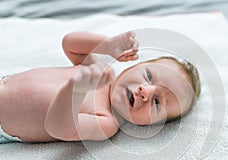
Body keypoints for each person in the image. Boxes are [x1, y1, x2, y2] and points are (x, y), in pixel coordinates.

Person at [0, 31, 200, 143]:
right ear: (132, 66)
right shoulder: (101, 71)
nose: (146, 91)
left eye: (157, 102)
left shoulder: (107, 122)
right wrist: (107, 45)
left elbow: (59, 128)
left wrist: (75, 91)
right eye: (148, 76)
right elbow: (69, 43)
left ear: (148, 125)